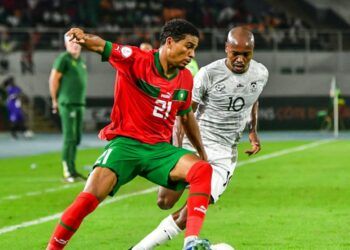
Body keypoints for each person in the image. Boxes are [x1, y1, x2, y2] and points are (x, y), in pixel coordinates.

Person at [46, 19, 214, 250]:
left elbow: (186, 117)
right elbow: (101, 45)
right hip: (125, 144)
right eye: (188, 46)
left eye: (194, 48)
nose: (192, 54)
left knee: (202, 170)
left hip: (159, 150)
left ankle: (191, 242)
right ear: (169, 42)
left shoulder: (185, 78)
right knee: (88, 200)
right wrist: (82, 37)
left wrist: (202, 153)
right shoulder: (135, 59)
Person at [131, 26, 269, 250]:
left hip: (224, 154)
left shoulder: (261, 73)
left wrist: (253, 131)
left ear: (253, 51)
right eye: (236, 53)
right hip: (195, 144)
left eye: (247, 54)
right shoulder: (208, 74)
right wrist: (175, 150)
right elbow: (184, 114)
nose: (241, 59)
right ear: (226, 49)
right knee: (164, 202)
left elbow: (253, 100)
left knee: (190, 213)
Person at [49, 34, 88, 183]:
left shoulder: (80, 61)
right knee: (69, 137)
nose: (74, 44)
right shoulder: (64, 58)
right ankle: (67, 170)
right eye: (71, 42)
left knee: (77, 138)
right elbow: (53, 78)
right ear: (65, 44)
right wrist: (54, 100)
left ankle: (73, 169)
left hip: (79, 104)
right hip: (68, 103)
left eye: (77, 41)